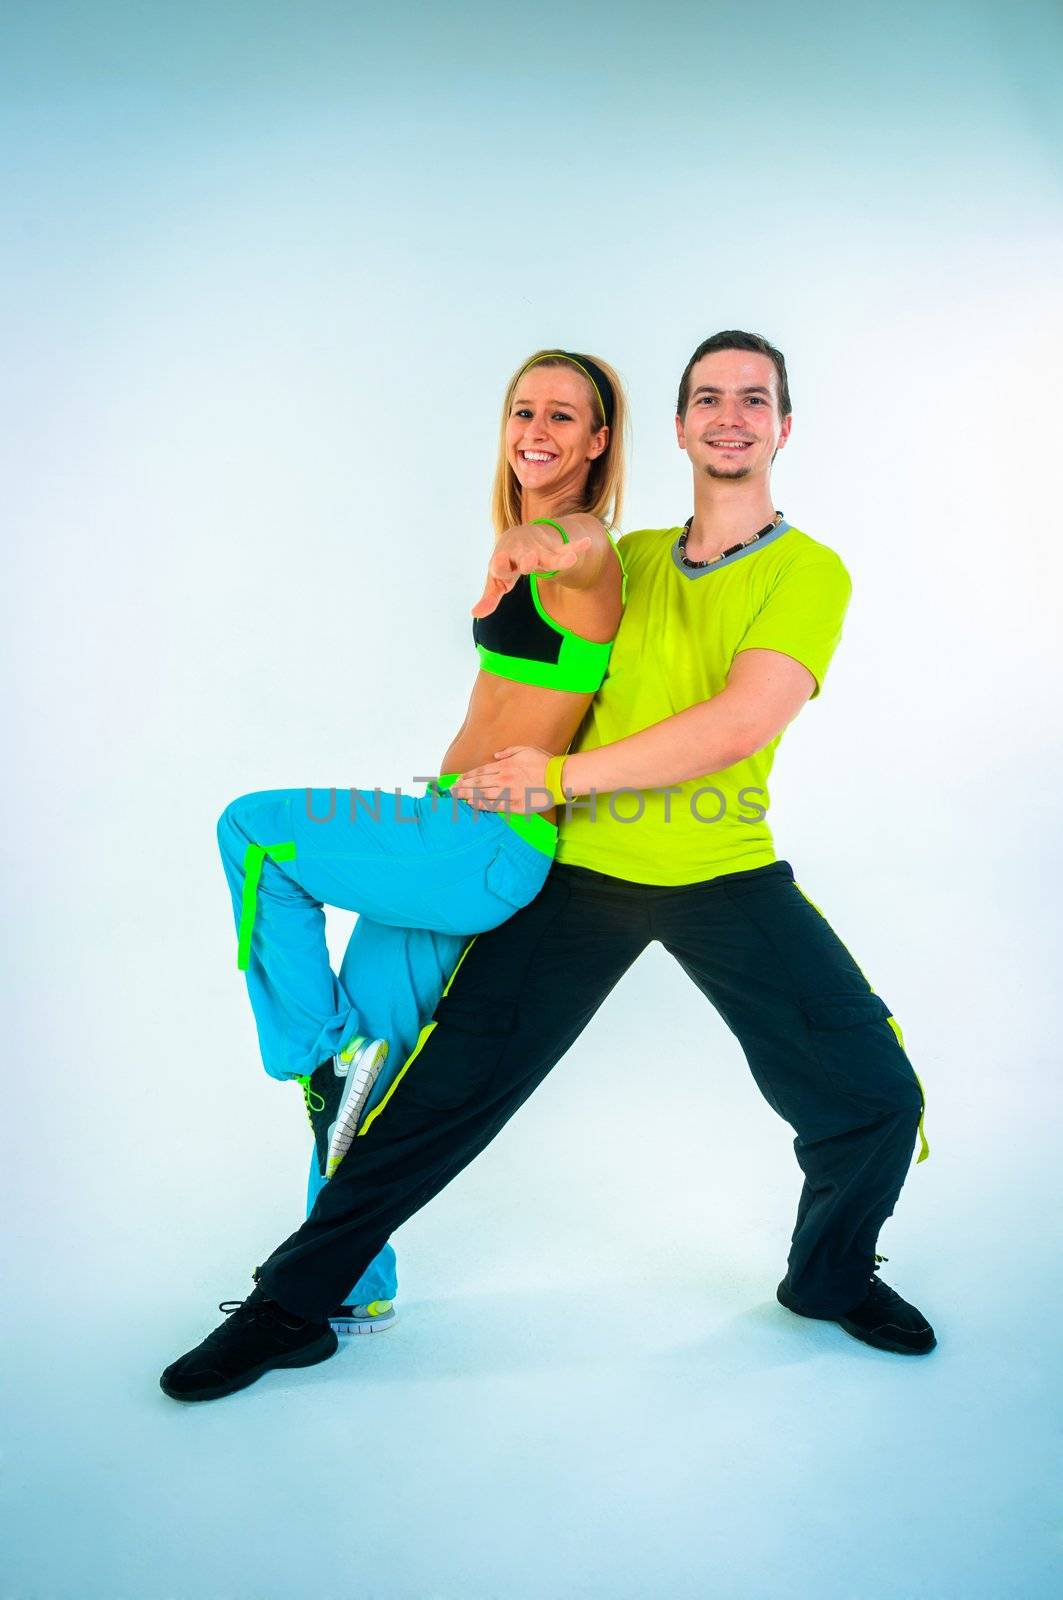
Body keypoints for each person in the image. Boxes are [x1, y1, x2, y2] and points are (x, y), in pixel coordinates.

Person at [162, 330, 934, 1404]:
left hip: (721, 867)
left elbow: (737, 720)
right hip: (580, 876)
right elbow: (580, 556)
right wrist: (535, 547)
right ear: (676, 428)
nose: (728, 416)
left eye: (752, 400)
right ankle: (290, 1303)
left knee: (874, 1095)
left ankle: (829, 1276)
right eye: (706, 398)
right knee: (425, 1102)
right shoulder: (638, 556)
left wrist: (552, 765)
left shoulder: (808, 571)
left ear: (782, 426)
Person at [212, 348, 628, 1340]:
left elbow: (578, 546)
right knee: (374, 1064)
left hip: (481, 842)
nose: (538, 427)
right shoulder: (517, 530)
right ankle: (353, 1276)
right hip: (454, 828)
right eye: (523, 409)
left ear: (598, 441)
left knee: (254, 831)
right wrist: (508, 548)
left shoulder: (585, 548)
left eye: (564, 416)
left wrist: (531, 549)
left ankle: (310, 1053)